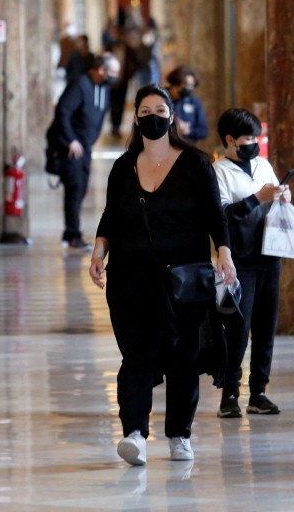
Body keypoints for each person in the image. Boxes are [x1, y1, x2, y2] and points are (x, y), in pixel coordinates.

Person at [89, 84, 237, 466]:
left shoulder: (195, 163)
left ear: (171, 117)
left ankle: (179, 435)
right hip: (130, 277)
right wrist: (98, 248)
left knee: (182, 356)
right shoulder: (123, 166)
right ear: (136, 118)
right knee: (136, 353)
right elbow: (109, 215)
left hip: (183, 279)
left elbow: (214, 214)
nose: (152, 116)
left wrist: (224, 252)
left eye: (159, 110)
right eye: (145, 111)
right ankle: (134, 433)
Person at [211, 108, 291, 418]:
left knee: (265, 326)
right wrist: (257, 198)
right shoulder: (219, 172)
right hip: (239, 259)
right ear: (230, 140)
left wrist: (281, 196)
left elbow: (273, 199)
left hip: (269, 255)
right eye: (247, 139)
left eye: (256, 138)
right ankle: (229, 393)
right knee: (237, 328)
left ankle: (259, 392)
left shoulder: (263, 165)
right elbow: (222, 217)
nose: (253, 144)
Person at [45, 53, 120, 249]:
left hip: (85, 147)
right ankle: (72, 234)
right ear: (101, 70)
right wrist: (70, 140)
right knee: (75, 188)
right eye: (112, 72)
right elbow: (63, 111)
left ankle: (72, 233)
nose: (115, 76)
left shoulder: (105, 88)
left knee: (81, 188)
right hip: (71, 148)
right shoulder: (80, 84)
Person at [166, 66, 208, 145]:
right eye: (186, 84)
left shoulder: (194, 102)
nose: (189, 88)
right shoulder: (161, 99)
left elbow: (203, 131)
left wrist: (189, 130)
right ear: (176, 83)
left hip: (187, 148)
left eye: (192, 85)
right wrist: (174, 128)